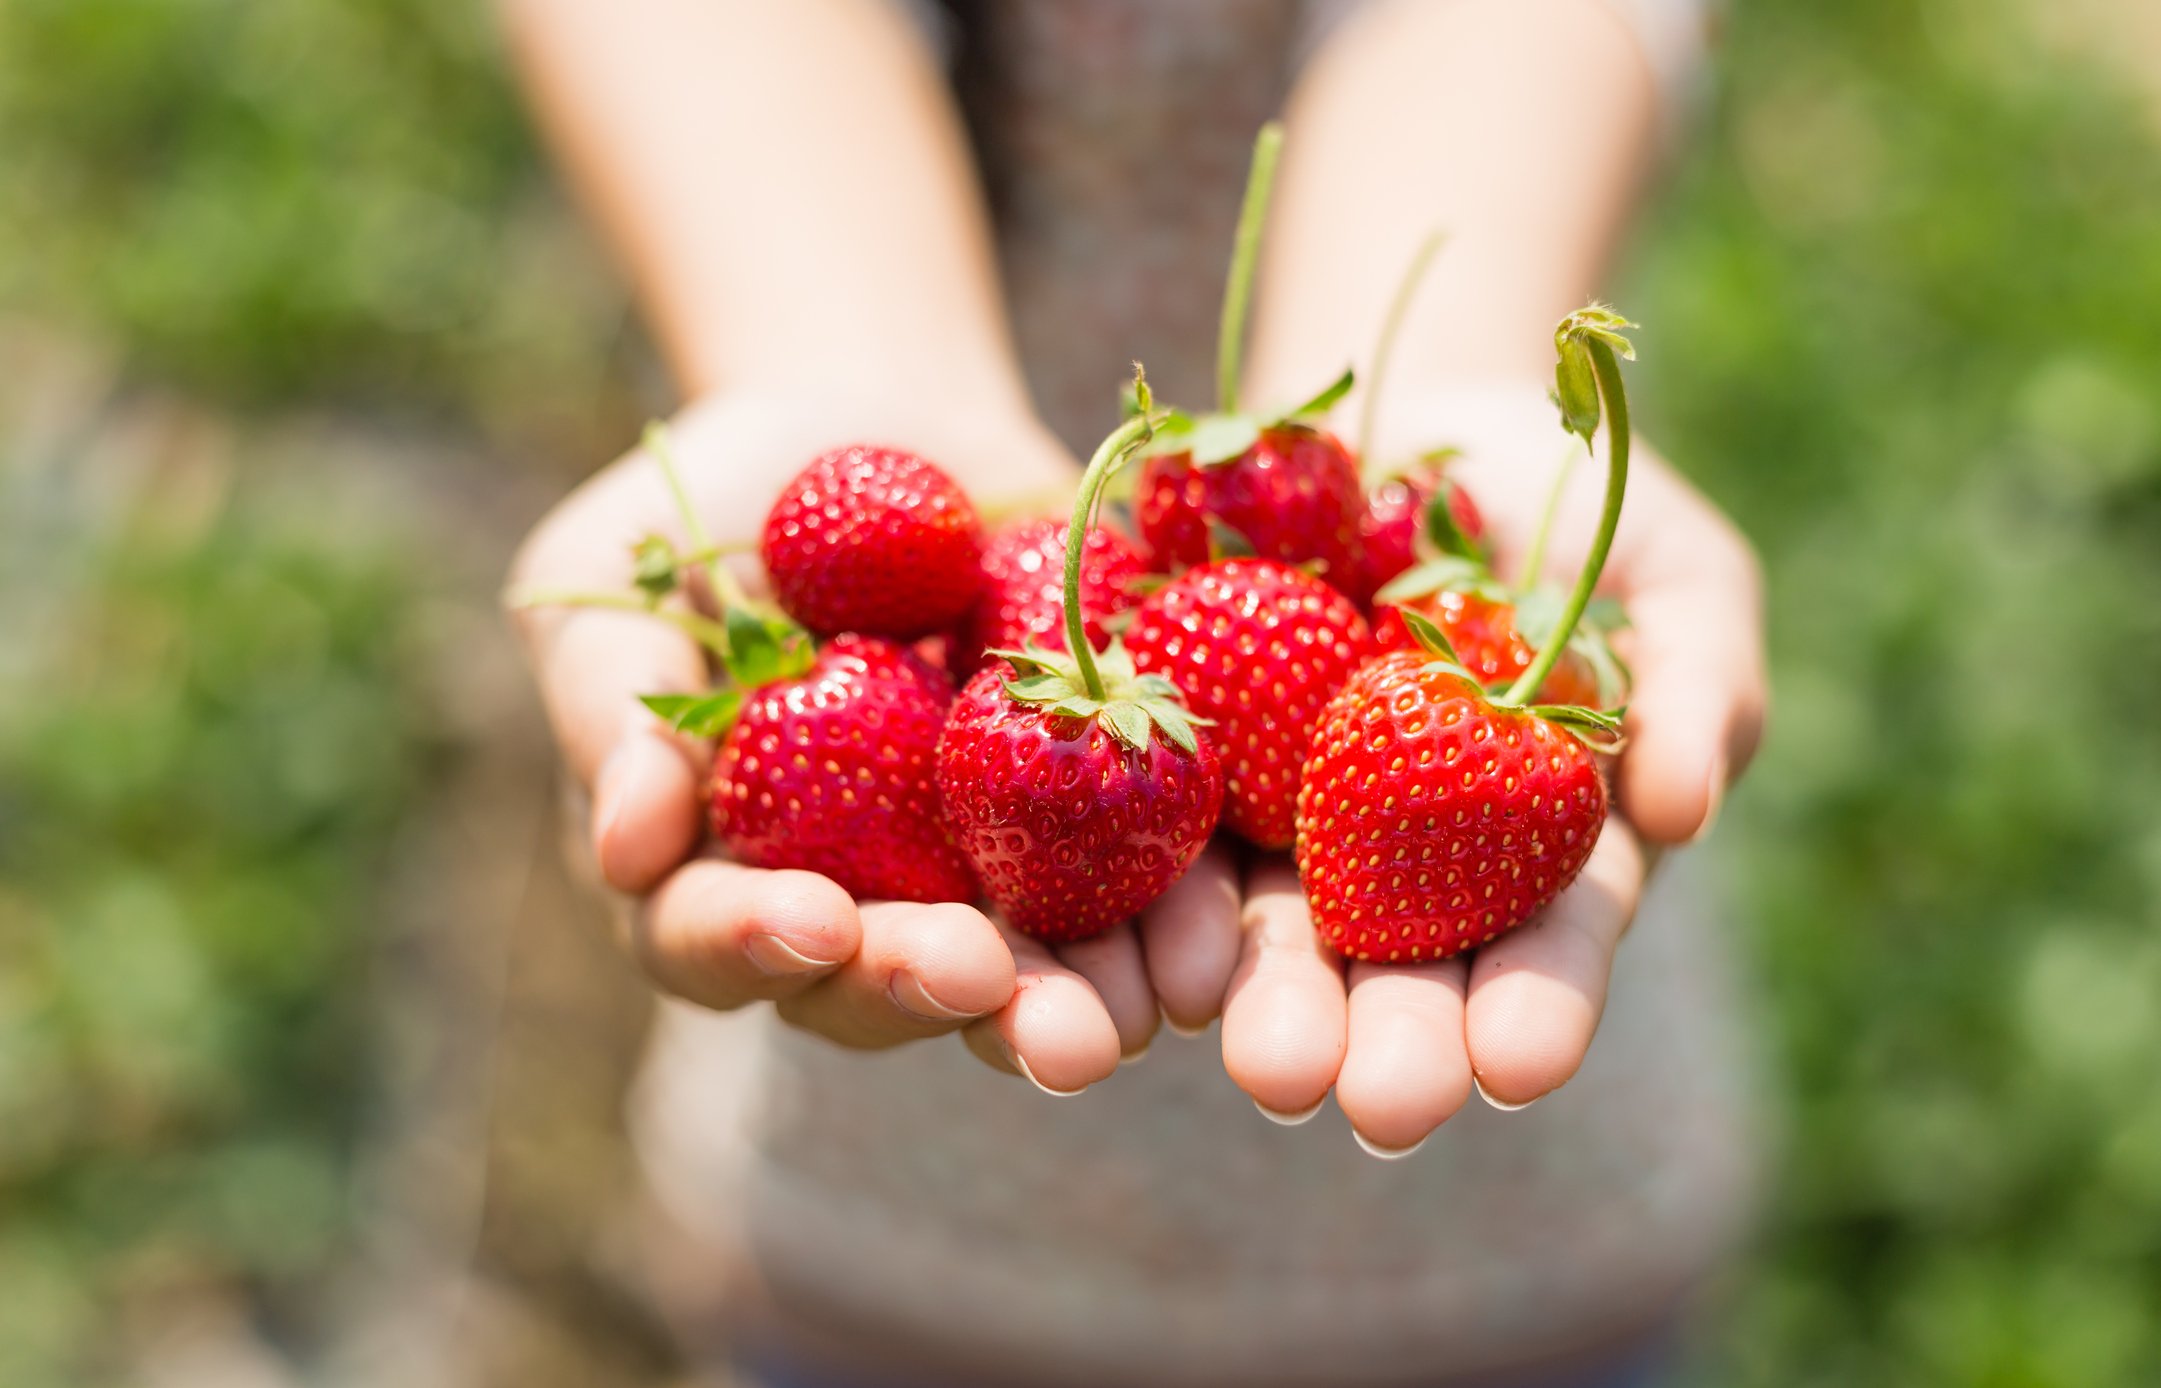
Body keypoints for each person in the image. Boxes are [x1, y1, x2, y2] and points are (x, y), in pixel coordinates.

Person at [500, 2, 1769, 1384]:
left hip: (1505, 1247)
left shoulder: (1450, 679)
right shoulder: (992, 672)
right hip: (883, 1226)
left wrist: (1449, 362)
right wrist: (836, 372)